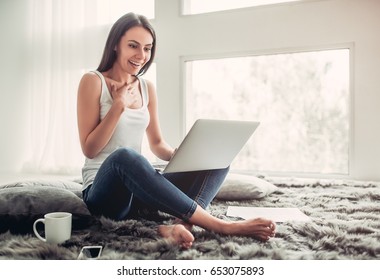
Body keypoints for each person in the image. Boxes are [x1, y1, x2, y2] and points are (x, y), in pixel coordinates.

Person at [77, 12, 275, 248]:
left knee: (216, 160)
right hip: (104, 193)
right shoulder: (93, 81)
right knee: (125, 157)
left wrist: (181, 156)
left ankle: (182, 223)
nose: (141, 55)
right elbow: (90, 149)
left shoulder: (146, 87)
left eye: (148, 48)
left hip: (137, 194)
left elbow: (157, 143)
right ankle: (218, 224)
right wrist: (118, 105)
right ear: (116, 45)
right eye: (133, 46)